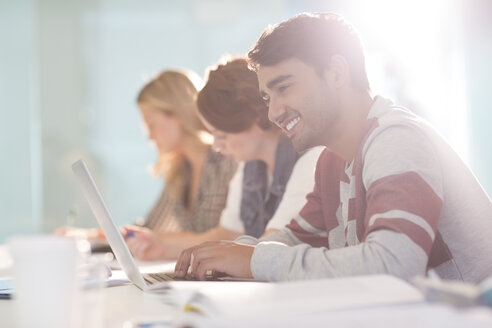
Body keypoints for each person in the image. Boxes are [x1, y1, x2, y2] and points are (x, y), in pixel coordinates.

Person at [174, 13, 492, 283]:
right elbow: (290, 240)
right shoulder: (331, 160)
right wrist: (226, 254)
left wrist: (254, 261)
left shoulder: (396, 138)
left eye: (284, 88)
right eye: (268, 98)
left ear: (337, 73)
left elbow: (394, 266)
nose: (273, 113)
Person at [124, 57, 323, 260]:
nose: (217, 147)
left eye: (223, 136)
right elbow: (227, 234)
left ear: (254, 121)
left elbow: (271, 244)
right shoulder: (249, 167)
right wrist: (164, 248)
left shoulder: (309, 160)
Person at [57, 69, 236, 243]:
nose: (149, 136)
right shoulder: (181, 172)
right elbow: (150, 230)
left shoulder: (228, 161)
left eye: (151, 125)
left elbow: (234, 236)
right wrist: (90, 236)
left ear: (177, 116)